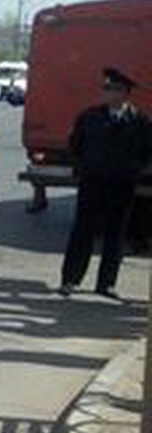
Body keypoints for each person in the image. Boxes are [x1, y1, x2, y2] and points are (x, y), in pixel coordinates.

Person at [59, 68, 152, 299]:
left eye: (114, 89)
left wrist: (135, 171)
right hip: (92, 182)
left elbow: (148, 152)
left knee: (116, 235)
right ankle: (70, 279)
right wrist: (85, 166)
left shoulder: (139, 121)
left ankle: (107, 283)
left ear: (125, 93)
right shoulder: (89, 117)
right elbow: (75, 145)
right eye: (107, 88)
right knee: (82, 232)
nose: (108, 93)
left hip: (122, 185)